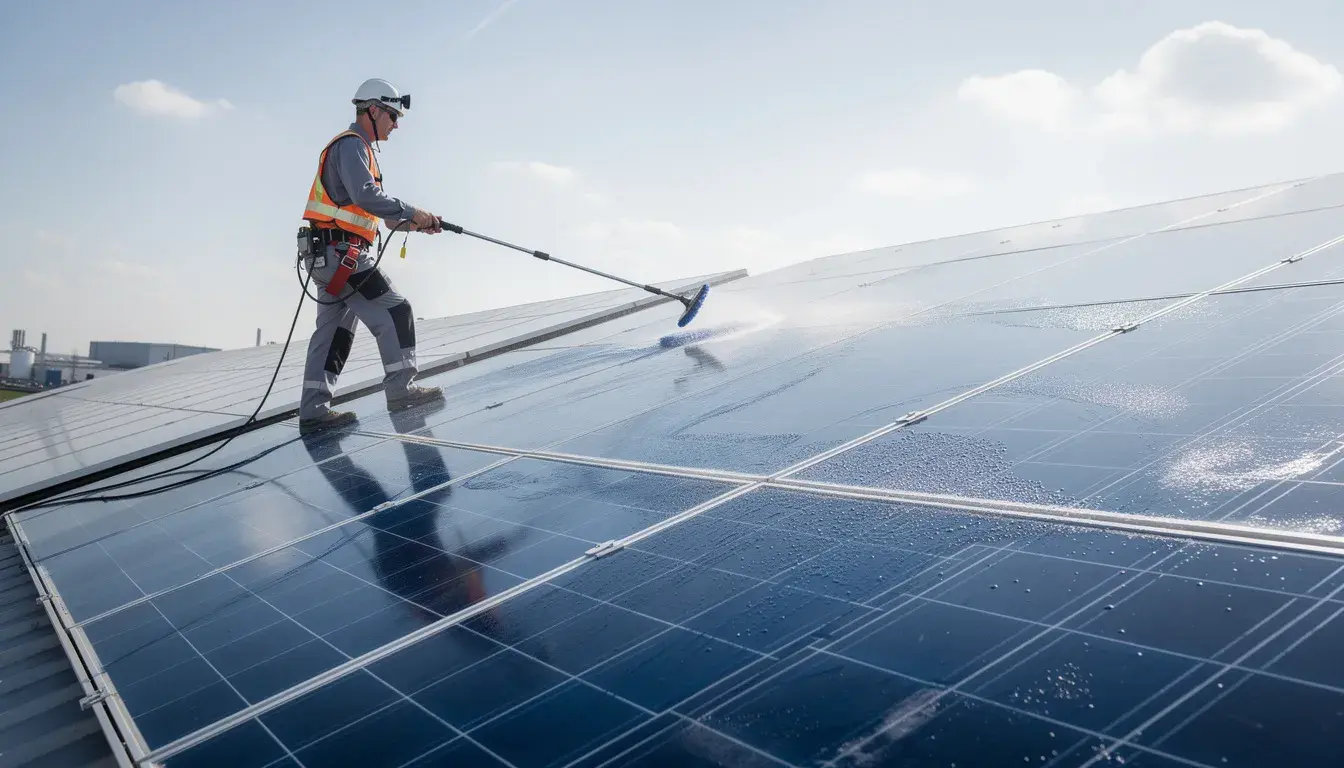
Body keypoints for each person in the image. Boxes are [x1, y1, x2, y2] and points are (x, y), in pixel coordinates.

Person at [297, 78, 446, 434]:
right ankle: (402, 391)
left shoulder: (356, 149)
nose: (396, 125)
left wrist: (417, 223)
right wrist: (413, 210)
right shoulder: (353, 146)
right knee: (397, 310)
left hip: (327, 257)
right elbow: (367, 196)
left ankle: (314, 410)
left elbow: (377, 213)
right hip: (344, 255)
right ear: (374, 110)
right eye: (393, 116)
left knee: (333, 333)